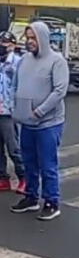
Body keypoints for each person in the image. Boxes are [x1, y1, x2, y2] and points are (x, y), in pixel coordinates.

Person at [10, 21, 69, 221]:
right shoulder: (24, 60)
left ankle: (52, 202)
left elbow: (60, 91)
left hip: (48, 123)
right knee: (29, 163)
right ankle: (31, 197)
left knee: (47, 164)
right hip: (27, 122)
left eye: (33, 38)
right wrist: (15, 106)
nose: (30, 42)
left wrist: (40, 111)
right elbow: (16, 84)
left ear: (43, 38)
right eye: (27, 38)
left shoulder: (57, 61)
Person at [0, 31, 26, 194]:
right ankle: (3, 178)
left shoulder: (18, 62)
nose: (3, 46)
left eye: (6, 43)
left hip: (9, 112)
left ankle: (24, 177)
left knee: (13, 147)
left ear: (13, 45)